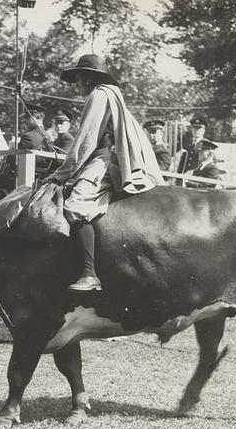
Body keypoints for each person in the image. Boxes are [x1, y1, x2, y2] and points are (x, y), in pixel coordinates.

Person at [41, 53, 164, 291]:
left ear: (88, 78)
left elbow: (86, 141)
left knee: (75, 206)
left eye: (78, 77)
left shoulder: (98, 96)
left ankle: (89, 274)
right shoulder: (110, 94)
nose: (76, 83)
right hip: (111, 155)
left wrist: (60, 174)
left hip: (105, 158)